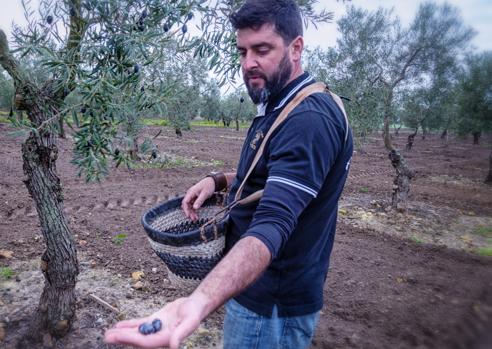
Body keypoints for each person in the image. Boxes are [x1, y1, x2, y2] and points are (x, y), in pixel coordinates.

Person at [105, 0, 353, 348]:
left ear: (296, 48)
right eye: (242, 51)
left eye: (262, 49)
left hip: (270, 309)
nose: (248, 63)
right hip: (262, 297)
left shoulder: (308, 121)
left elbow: (272, 223)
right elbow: (269, 178)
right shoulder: (284, 105)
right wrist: (218, 180)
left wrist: (197, 302)